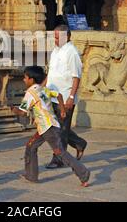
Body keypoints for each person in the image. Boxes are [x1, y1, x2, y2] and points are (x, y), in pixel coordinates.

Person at [10, 66, 90, 187]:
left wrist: (13, 109)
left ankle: (83, 173)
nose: (24, 80)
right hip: (48, 126)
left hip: (47, 128)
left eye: (25, 78)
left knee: (60, 153)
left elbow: (22, 112)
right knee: (31, 146)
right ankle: (31, 175)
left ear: (31, 79)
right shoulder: (43, 89)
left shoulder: (30, 93)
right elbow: (59, 95)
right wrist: (62, 110)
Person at [45, 24, 87, 169]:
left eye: (57, 37)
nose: (55, 40)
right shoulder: (55, 51)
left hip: (65, 95)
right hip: (52, 95)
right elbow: (50, 73)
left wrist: (71, 97)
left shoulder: (72, 52)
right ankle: (79, 143)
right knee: (56, 127)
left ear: (66, 36)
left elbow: (76, 77)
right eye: (54, 37)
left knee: (61, 130)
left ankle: (59, 158)